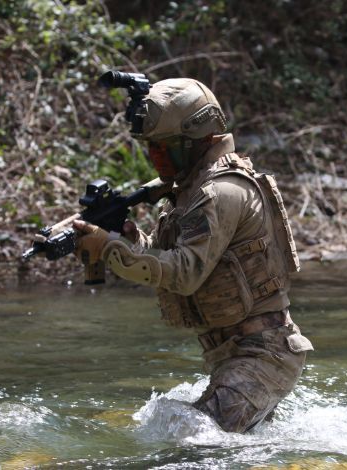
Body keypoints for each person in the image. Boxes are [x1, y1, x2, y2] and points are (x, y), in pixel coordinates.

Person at [73, 77, 313, 431]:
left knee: (195, 446)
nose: (155, 157)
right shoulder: (189, 190)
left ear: (196, 140)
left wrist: (109, 250)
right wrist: (129, 240)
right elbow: (168, 256)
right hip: (233, 354)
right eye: (150, 147)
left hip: (263, 354)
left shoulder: (222, 191)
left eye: (165, 147)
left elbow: (185, 274)